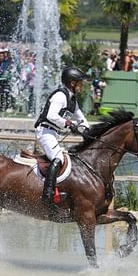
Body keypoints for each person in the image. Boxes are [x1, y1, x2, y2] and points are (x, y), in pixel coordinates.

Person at [34, 67, 90, 206]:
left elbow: (81, 118)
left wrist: (88, 131)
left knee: (66, 158)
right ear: (72, 83)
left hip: (53, 133)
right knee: (58, 158)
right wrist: (69, 124)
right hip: (45, 131)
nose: (82, 86)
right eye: (80, 83)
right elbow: (50, 115)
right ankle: (48, 194)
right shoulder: (60, 96)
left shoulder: (72, 99)